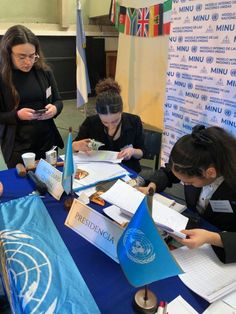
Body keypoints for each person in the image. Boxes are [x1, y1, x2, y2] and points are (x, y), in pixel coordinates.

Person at [140, 125, 236, 264]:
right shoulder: (195, 164)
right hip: (198, 233)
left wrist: (211, 238)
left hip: (223, 250)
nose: (184, 184)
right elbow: (170, 172)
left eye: (189, 182)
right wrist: (152, 186)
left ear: (210, 172)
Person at [0, 25, 64, 168]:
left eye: (32, 56)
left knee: (53, 182)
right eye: (21, 57)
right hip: (18, 145)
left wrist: (54, 109)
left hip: (46, 140)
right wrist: (17, 115)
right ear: (8, 53)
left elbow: (58, 101)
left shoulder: (44, 72)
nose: (28, 62)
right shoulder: (3, 77)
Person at [72, 78, 144, 173]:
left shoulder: (134, 121)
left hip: (127, 170)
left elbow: (142, 152)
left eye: (115, 121)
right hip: (97, 170)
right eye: (105, 122)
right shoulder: (91, 122)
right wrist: (76, 145)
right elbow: (73, 146)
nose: (110, 126)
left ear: (121, 111)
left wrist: (133, 151)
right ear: (97, 113)